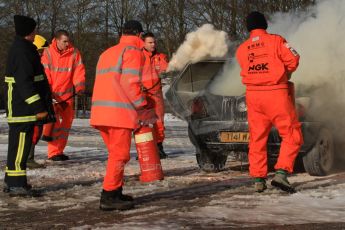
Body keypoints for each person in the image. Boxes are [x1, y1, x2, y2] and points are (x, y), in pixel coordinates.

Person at [236, 11, 302, 193]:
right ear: (265, 24)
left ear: (248, 27)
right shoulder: (276, 40)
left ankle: (258, 179)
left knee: (257, 138)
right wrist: (285, 73)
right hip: (276, 93)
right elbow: (293, 59)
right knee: (291, 134)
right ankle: (281, 173)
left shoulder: (242, 48)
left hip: (253, 96)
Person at [90, 20, 153, 211]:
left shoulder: (108, 52)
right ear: (140, 35)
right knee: (120, 155)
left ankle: (115, 191)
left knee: (115, 155)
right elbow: (129, 84)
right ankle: (108, 196)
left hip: (101, 112)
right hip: (119, 113)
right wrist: (142, 106)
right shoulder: (133, 52)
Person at [3, 15, 54, 197]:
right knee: (20, 147)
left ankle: (13, 181)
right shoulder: (23, 51)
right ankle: (16, 184)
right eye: (33, 30)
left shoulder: (22, 48)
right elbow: (25, 83)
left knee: (18, 146)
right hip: (22, 107)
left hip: (21, 106)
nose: (35, 33)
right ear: (29, 32)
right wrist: (38, 108)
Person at [41, 30, 86, 161]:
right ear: (57, 40)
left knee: (66, 124)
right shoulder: (48, 53)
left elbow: (79, 71)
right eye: (64, 41)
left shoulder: (74, 53)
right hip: (53, 96)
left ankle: (59, 150)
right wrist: (48, 92)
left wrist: (80, 87)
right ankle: (53, 152)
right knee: (54, 125)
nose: (67, 44)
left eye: (68, 41)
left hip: (67, 96)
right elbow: (46, 73)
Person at [141, 32, 169, 159]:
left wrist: (166, 72)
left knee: (159, 122)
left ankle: (159, 147)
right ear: (144, 43)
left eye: (154, 42)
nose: (153, 44)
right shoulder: (138, 56)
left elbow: (166, 69)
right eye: (150, 42)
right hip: (142, 94)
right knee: (143, 123)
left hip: (156, 93)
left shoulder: (160, 57)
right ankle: (144, 149)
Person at [26, 34, 51, 169]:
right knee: (34, 132)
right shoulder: (29, 63)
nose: (42, 54)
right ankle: (28, 158)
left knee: (37, 131)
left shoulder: (35, 63)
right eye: (40, 51)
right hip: (33, 106)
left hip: (38, 103)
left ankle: (29, 157)